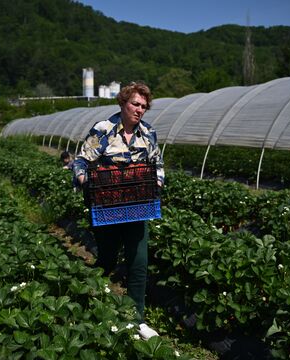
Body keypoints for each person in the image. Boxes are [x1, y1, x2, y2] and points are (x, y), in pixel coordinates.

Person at [73, 82, 164, 340]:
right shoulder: (103, 130)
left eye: (144, 106)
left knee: (139, 261)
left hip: (137, 205)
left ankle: (137, 319)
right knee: (108, 258)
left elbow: (157, 164)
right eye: (135, 104)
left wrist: (157, 181)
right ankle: (92, 300)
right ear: (123, 103)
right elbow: (82, 160)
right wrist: (84, 179)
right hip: (107, 206)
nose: (140, 110)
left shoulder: (148, 133)